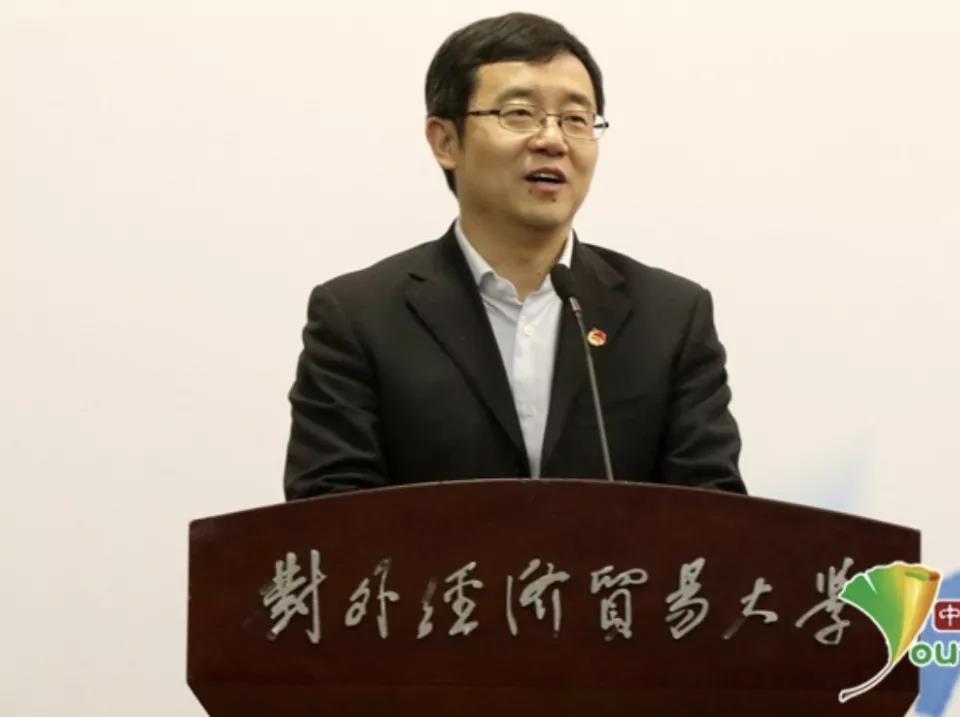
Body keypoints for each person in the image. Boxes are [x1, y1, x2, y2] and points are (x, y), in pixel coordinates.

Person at [283, 12, 745, 500]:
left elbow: (715, 516)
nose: (552, 140)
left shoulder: (670, 317)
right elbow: (329, 518)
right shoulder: (360, 318)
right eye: (519, 114)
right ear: (445, 141)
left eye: (576, 119)